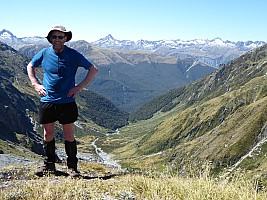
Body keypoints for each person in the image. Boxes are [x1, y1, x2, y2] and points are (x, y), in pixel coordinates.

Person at [27, 25, 98, 178]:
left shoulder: (73, 54)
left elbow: (93, 69)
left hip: (67, 101)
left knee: (69, 135)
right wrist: (35, 84)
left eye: (60, 37)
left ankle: (72, 168)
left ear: (65, 38)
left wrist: (79, 87)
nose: (57, 39)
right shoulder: (44, 53)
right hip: (48, 100)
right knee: (48, 134)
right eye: (54, 37)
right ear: (50, 39)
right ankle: (49, 165)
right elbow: (30, 66)